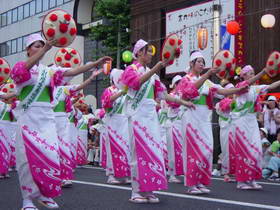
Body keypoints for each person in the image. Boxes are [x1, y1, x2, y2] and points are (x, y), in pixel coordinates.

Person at [11, 33, 111, 210]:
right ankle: (27, 199)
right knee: (27, 161)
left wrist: (95, 64)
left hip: (46, 120)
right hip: (28, 119)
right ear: (27, 49)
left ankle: (44, 194)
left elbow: (71, 71)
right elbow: (20, 73)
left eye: (42, 45)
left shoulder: (49, 72)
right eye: (36, 45)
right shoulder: (22, 67)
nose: (40, 48)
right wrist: (44, 50)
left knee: (50, 156)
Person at [121, 39, 195, 203]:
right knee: (137, 153)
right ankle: (136, 191)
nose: (150, 55)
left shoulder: (153, 75)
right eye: (147, 51)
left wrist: (184, 102)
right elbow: (135, 83)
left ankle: (148, 189)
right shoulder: (130, 70)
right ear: (139, 52)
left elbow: (163, 95)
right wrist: (158, 67)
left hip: (150, 116)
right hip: (136, 116)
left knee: (153, 151)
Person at [176, 51, 248, 194]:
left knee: (207, 149)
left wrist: (238, 89)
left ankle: (201, 181)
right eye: (199, 62)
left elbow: (221, 91)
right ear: (191, 63)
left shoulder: (207, 82)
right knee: (193, 151)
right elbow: (189, 91)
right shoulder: (186, 79)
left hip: (204, 118)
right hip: (191, 117)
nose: (202, 64)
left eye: (203, 62)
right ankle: (191, 184)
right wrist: (207, 75)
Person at [232, 64, 280, 190]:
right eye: (251, 73)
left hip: (252, 122)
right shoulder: (240, 87)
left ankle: (252, 179)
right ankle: (241, 181)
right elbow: (248, 83)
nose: (253, 75)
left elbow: (270, 86)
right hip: (241, 122)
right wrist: (263, 71)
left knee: (256, 150)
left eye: (254, 73)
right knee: (243, 151)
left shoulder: (255, 89)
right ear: (243, 76)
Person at [101, 68, 131, 184]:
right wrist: (120, 93)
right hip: (113, 121)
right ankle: (111, 175)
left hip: (124, 121)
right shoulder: (109, 90)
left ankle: (125, 174)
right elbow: (106, 102)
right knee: (112, 148)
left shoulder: (126, 92)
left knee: (125, 148)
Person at [165, 75, 184, 183]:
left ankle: (179, 172)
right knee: (172, 150)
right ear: (175, 85)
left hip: (181, 125)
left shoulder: (183, 95)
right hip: (172, 125)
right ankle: (172, 174)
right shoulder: (171, 95)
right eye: (179, 84)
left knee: (180, 150)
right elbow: (173, 103)